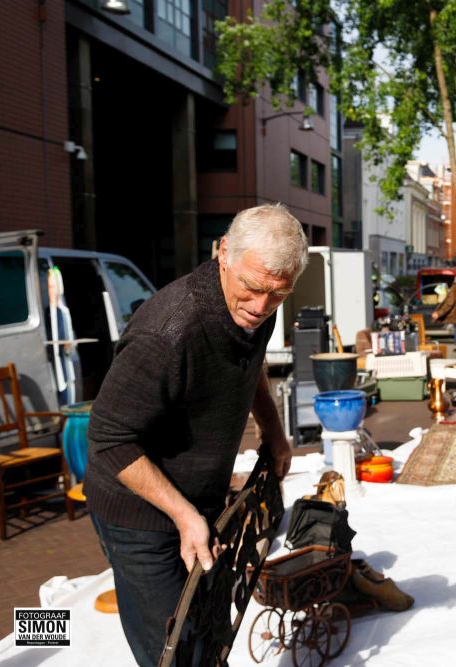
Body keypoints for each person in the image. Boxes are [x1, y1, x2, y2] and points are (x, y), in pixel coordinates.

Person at [84, 204, 308, 666]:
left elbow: (250, 368)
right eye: (252, 288)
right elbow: (109, 439)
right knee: (172, 651)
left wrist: (275, 431)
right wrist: (183, 514)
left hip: (198, 501)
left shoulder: (254, 310)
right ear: (224, 253)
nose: (261, 307)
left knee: (209, 632)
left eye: (277, 296)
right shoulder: (166, 332)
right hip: (138, 513)